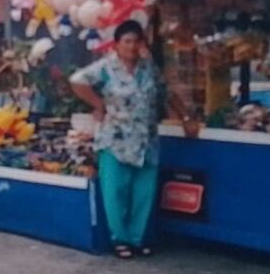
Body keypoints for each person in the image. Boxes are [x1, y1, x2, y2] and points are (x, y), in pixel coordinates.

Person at [70, 20, 197, 259]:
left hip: (146, 140)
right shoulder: (106, 68)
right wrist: (99, 104)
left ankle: (139, 238)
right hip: (115, 140)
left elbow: (166, 92)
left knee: (143, 192)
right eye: (126, 41)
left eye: (136, 41)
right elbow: (77, 81)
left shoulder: (148, 68)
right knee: (116, 192)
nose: (131, 46)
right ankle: (120, 239)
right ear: (117, 45)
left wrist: (186, 117)